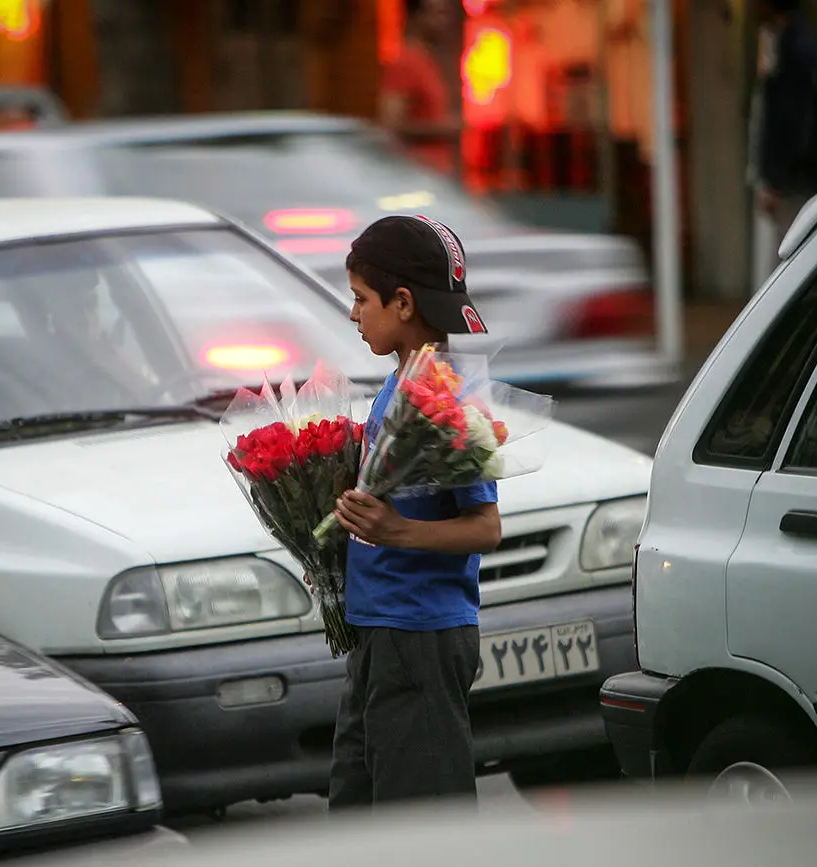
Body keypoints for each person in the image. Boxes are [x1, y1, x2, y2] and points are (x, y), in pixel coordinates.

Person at [325, 214, 500, 810]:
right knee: (359, 808)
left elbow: (485, 528)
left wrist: (396, 530)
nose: (353, 314)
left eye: (360, 298)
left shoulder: (447, 393)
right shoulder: (400, 382)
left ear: (402, 302)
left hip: (419, 635)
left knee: (422, 828)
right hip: (380, 628)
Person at [751, 0, 817, 263]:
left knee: (796, 257)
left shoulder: (793, 51)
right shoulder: (799, 45)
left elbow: (792, 120)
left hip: (796, 181)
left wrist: (775, 179)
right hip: (804, 176)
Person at [379, 0, 461, 175]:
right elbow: (391, 125)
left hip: (439, 175)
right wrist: (442, 129)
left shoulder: (429, 61)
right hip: (419, 174)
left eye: (445, 14)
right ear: (416, 17)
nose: (444, 21)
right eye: (436, 14)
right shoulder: (405, 63)